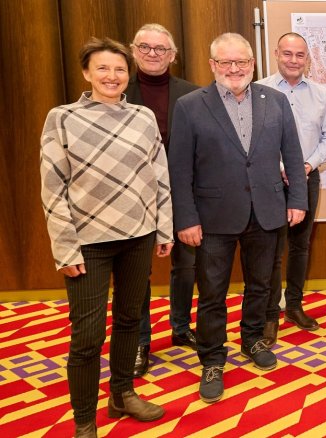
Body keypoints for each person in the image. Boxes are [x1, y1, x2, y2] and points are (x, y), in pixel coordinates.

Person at [40, 37, 172, 438]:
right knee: (88, 335)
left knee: (131, 320)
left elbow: (159, 175)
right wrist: (65, 247)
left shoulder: (143, 117)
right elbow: (52, 188)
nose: (112, 76)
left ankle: (122, 394)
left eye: (118, 69)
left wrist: (163, 226)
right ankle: (84, 422)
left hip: (139, 235)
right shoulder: (62, 118)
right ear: (86, 73)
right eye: (102, 68)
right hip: (88, 242)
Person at [168, 33, 308, 403]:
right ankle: (213, 358)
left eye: (242, 62)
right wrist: (185, 219)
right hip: (212, 218)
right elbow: (178, 170)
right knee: (212, 293)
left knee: (261, 286)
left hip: (266, 212)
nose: (235, 69)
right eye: (226, 62)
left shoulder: (275, 101)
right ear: (213, 65)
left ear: (252, 64)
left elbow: (293, 155)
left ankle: (252, 340)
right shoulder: (190, 106)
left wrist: (297, 200)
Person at [255, 32, 326, 345]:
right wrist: (279, 169)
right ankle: (268, 314)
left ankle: (293, 305)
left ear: (307, 59)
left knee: (300, 245)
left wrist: (305, 166)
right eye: (288, 54)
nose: (293, 60)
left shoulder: (321, 94)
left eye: (300, 55)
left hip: (306, 177)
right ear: (277, 54)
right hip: (268, 181)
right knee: (272, 249)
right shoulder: (258, 90)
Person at [126, 23, 200, 378]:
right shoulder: (115, 91)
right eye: (146, 47)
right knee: (136, 271)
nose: (153, 54)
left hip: (181, 193)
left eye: (161, 49)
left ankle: (181, 326)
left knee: (185, 266)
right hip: (132, 198)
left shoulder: (192, 94)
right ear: (133, 49)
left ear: (173, 56)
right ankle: (140, 339)